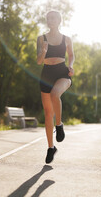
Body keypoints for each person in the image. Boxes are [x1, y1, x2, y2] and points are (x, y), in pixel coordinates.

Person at [37, 10, 75, 164]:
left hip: (62, 72)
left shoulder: (67, 39)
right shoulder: (41, 38)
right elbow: (39, 61)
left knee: (55, 94)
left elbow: (71, 55)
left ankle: (59, 125)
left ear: (59, 20)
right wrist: (44, 51)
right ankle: (51, 148)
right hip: (46, 74)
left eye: (53, 18)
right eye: (48, 18)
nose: (50, 20)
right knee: (47, 114)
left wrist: (71, 66)